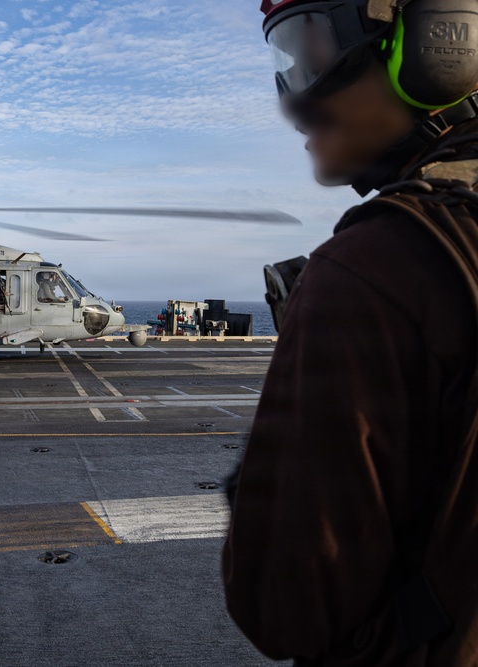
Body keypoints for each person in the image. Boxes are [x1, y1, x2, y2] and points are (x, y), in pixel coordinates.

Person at [223, 1, 478, 665]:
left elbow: (283, 607)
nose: (294, 105)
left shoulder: (368, 273)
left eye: (310, 58)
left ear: (437, 45)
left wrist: (256, 482)